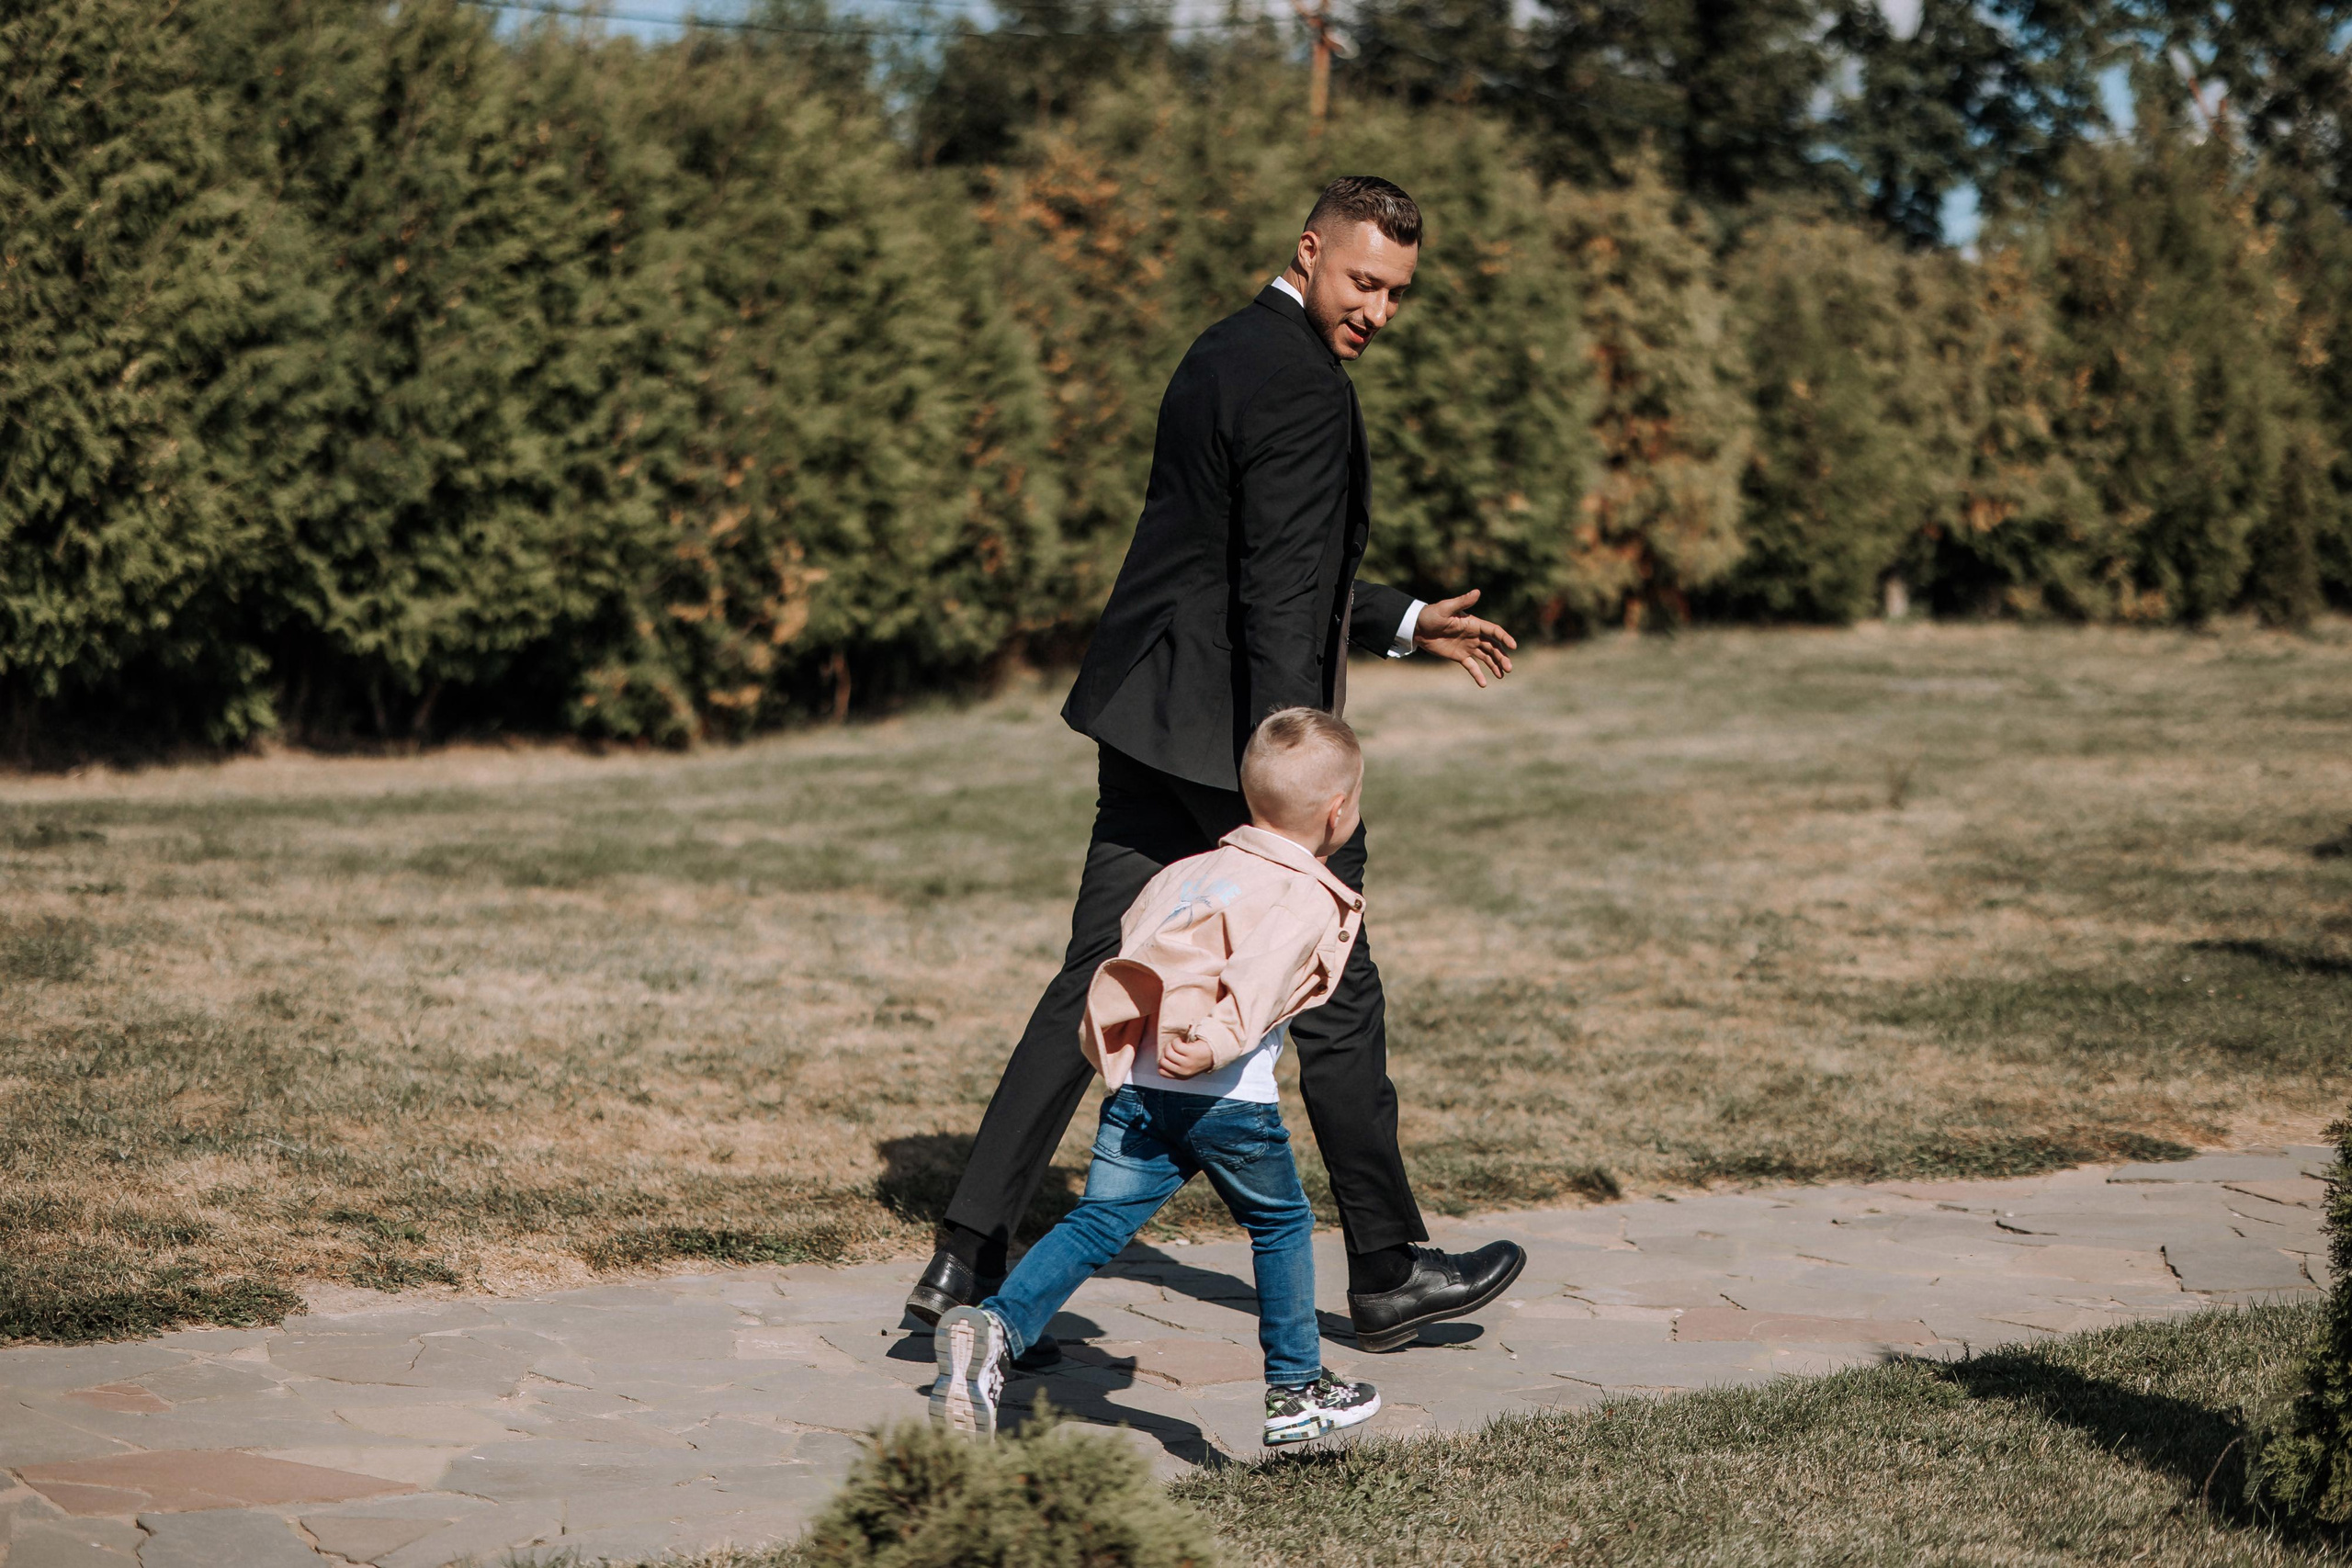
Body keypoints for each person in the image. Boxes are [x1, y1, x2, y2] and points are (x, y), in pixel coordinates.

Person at [909, 175, 1526, 1357]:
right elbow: (1277, 595)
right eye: (1364, 282)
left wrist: (1403, 621)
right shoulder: (1305, 384)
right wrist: (1299, 773)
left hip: (1150, 718)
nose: (1379, 312)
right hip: (1237, 741)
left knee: (1097, 975)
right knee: (1333, 984)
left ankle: (961, 1259)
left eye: (1398, 293)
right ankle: (1387, 1271)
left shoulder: (1222, 348)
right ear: (1310, 249)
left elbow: (1234, 557)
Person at [933, 709, 1385, 1445]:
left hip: (1141, 1090)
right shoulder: (1303, 892)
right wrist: (1213, 1043)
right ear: (1337, 813)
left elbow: (1130, 955)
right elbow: (1260, 978)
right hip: (1226, 1098)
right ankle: (1297, 1386)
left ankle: (996, 1329)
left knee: (1096, 1220)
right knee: (1280, 1223)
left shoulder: (1184, 873)